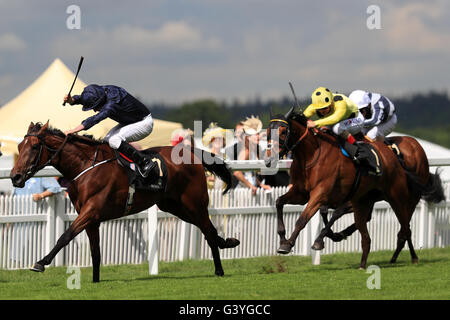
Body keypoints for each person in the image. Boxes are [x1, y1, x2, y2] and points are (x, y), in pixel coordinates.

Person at [63, 84, 157, 180]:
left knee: (114, 140)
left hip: (143, 123)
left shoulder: (111, 105)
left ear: (101, 101)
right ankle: (120, 167)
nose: (95, 110)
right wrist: (72, 100)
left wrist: (73, 130)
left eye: (95, 107)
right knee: (107, 141)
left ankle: (144, 162)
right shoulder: (101, 92)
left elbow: (95, 119)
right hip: (130, 122)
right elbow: (85, 97)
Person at [303, 87, 379, 175]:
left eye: (324, 108)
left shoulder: (340, 102)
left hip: (356, 119)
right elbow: (303, 116)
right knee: (324, 130)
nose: (322, 111)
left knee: (337, 128)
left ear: (331, 103)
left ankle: (358, 150)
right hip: (342, 121)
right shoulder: (316, 105)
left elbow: (336, 118)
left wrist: (315, 123)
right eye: (319, 109)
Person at [226, 116, 271, 195]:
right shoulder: (245, 152)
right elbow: (237, 172)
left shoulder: (253, 151)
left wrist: (261, 185)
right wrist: (250, 186)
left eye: (258, 134)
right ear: (248, 138)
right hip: (242, 191)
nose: (258, 136)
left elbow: (252, 174)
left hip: (250, 190)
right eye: (255, 134)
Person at [202, 123, 230, 190]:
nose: (218, 141)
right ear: (211, 141)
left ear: (224, 141)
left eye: (220, 139)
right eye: (215, 139)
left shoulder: (226, 156)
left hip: (223, 188)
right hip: (209, 188)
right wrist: (207, 177)